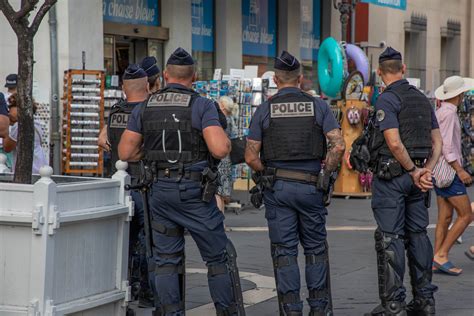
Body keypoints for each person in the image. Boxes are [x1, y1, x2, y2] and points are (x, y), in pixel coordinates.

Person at [118, 47, 245, 316]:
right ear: (194, 76)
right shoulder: (202, 105)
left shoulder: (146, 106)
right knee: (219, 258)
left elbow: (125, 152)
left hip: (159, 193)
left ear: (165, 75)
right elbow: (221, 149)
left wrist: (151, 154)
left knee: (166, 260)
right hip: (194, 193)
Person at [245, 51, 345, 316]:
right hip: (312, 186)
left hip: (279, 189)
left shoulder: (265, 109)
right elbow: (338, 145)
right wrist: (326, 175)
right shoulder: (319, 106)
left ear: (276, 79)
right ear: (300, 79)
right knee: (315, 250)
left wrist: (267, 174)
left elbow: (250, 155)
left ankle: (291, 310)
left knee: (284, 252)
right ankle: (320, 309)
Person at [365, 47, 443, 316]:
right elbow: (438, 142)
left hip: (395, 177)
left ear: (379, 72)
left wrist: (412, 171)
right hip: (419, 178)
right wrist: (426, 171)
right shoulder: (423, 99)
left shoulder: (387, 99)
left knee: (391, 239)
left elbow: (394, 142)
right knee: (418, 236)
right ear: (404, 68)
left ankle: (394, 304)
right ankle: (424, 302)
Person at [98, 64, 154, 307]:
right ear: (149, 86)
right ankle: (145, 292)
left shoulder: (115, 111)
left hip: (118, 185)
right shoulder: (149, 110)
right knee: (146, 238)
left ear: (123, 88)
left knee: (123, 239)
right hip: (143, 182)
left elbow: (102, 139)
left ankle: (123, 288)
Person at [432, 76, 474, 275]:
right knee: (466, 215)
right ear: (460, 94)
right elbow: (448, 146)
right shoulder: (449, 114)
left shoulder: (441, 111)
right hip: (449, 170)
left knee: (445, 217)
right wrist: (460, 170)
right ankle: (442, 255)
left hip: (439, 170)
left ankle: (435, 258)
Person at [2, 94, 48, 173]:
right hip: (40, 165)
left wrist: (5, 127)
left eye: (12, 106)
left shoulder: (19, 126)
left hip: (26, 169)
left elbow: (7, 147)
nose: (9, 111)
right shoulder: (37, 124)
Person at [215, 96, 238, 213]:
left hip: (220, 157)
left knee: (218, 192)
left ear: (223, 106)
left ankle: (219, 220)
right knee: (222, 191)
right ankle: (222, 220)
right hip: (227, 157)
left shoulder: (221, 120)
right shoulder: (231, 118)